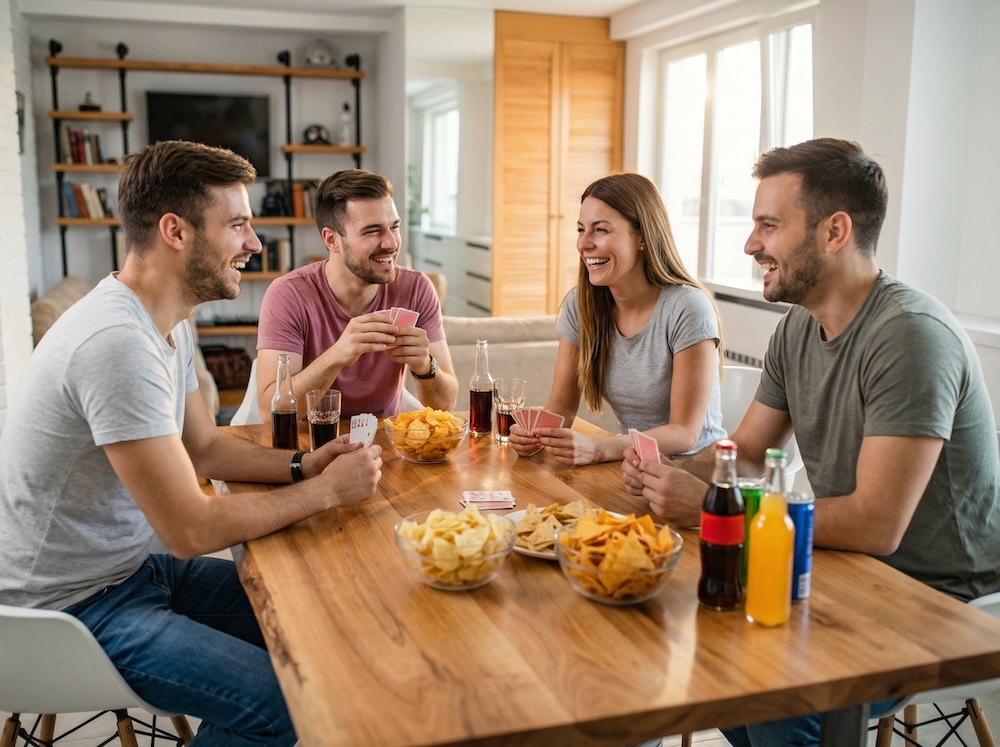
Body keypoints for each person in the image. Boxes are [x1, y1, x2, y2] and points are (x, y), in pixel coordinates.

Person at [0, 140, 384, 747]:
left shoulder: (164, 323)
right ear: (175, 231)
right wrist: (325, 493)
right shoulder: (117, 344)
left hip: (129, 574)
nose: (255, 243)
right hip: (66, 613)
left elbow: (205, 448)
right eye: (237, 224)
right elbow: (190, 529)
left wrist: (303, 464)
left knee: (323, 626)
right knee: (290, 705)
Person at [622, 138, 1000, 746]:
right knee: (709, 645)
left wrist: (717, 510)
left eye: (768, 226)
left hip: (939, 599)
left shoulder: (910, 337)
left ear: (835, 231)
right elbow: (742, 452)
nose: (750, 246)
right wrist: (671, 472)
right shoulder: (799, 327)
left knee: (774, 690)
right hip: (849, 572)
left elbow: (878, 525)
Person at [508, 171, 725, 465]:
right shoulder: (580, 305)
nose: (583, 244)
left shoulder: (687, 307)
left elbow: (684, 433)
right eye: (581, 229)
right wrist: (534, 434)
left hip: (694, 471)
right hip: (631, 465)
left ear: (642, 237)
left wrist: (599, 448)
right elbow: (561, 406)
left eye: (601, 230)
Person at [255, 169, 458, 419]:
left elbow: (446, 405)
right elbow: (270, 411)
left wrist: (426, 366)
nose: (391, 243)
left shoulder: (416, 288)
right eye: (372, 231)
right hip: (312, 447)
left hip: (385, 445)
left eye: (394, 227)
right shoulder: (289, 295)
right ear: (332, 240)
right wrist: (336, 356)